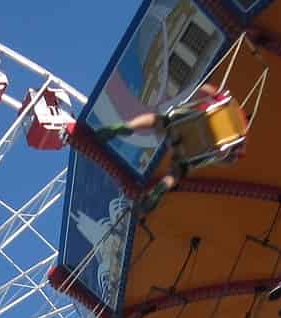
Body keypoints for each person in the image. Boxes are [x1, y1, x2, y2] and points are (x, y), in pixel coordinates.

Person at [95, 82, 245, 217]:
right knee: (178, 171)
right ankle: (162, 187)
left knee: (159, 121)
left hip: (184, 126)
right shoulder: (238, 137)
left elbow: (203, 88)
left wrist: (199, 99)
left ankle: (128, 126)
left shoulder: (227, 102)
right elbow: (222, 159)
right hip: (194, 149)